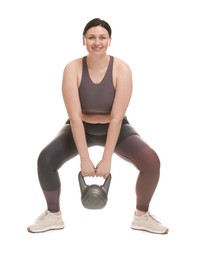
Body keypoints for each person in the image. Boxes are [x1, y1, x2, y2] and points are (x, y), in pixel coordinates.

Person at [27, 18, 168, 234]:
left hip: (116, 127)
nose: (97, 42)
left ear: (110, 40)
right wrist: (84, 158)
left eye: (102, 37)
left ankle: (142, 216)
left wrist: (107, 158)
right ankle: (53, 215)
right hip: (80, 127)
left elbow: (116, 118)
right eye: (91, 37)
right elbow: (74, 117)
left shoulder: (122, 69)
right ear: (83, 40)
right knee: (45, 160)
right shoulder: (72, 68)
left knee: (151, 162)